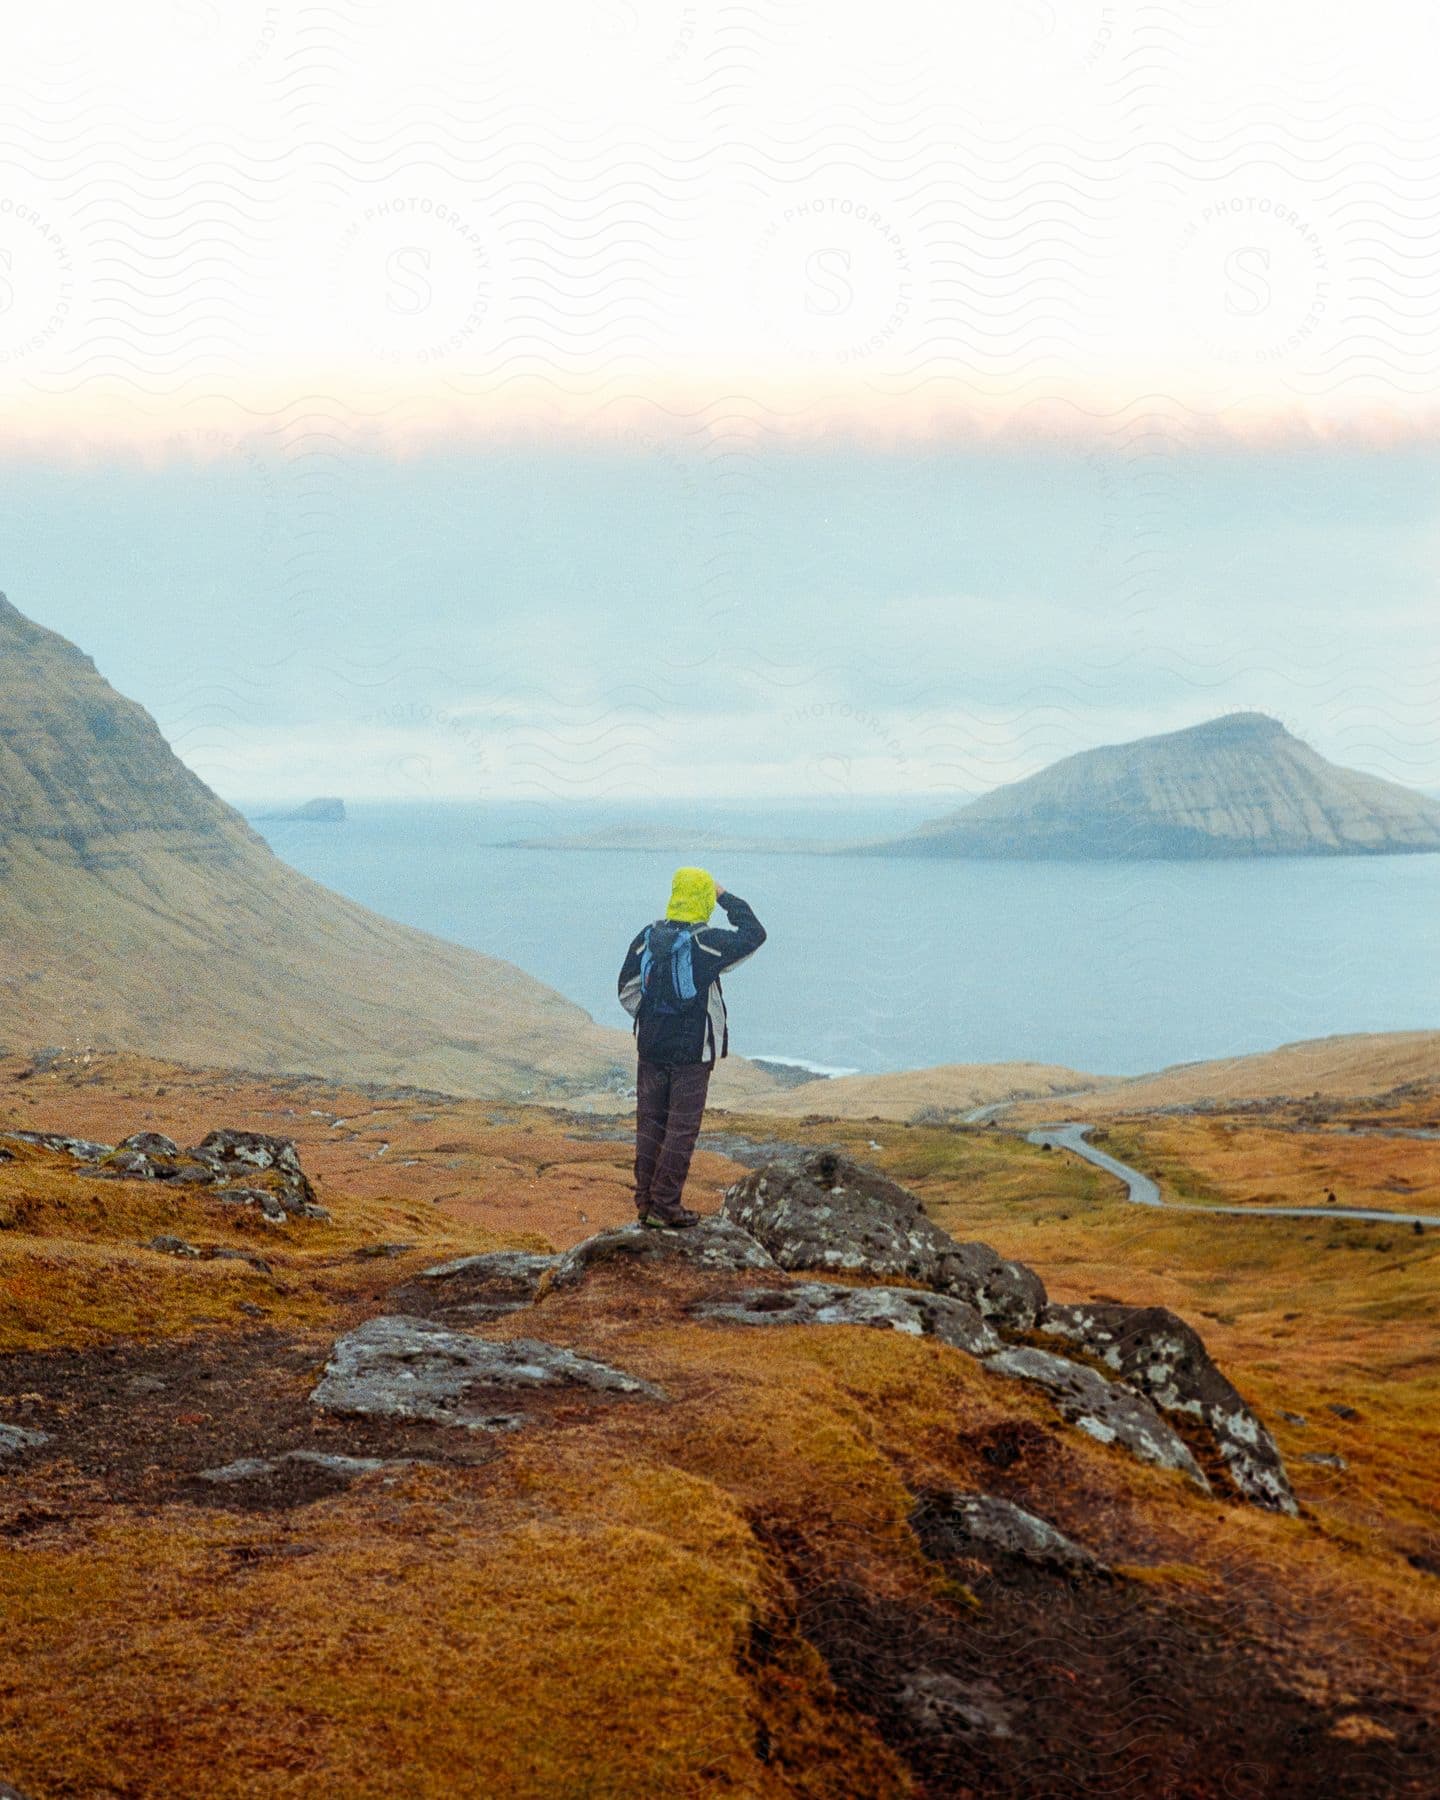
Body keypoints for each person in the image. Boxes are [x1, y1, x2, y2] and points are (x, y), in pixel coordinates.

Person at [617, 867, 766, 1228]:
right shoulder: (706, 943)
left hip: (651, 1048)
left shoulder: (647, 938)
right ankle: (665, 1206)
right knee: (681, 1129)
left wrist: (655, 1019)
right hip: (691, 1055)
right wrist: (725, 896)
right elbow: (754, 934)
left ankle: (645, 1203)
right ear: (703, 898)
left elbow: (626, 990)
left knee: (650, 1124)